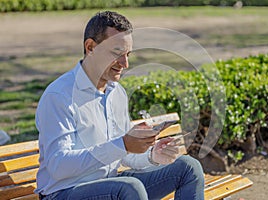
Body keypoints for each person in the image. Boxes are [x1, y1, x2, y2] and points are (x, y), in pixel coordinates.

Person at [35, 11, 204, 200]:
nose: (125, 63)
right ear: (90, 47)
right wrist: (122, 144)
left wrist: (152, 156)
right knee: (129, 188)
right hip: (65, 192)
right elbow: (58, 166)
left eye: (128, 54)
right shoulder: (59, 96)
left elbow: (125, 155)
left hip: (110, 185)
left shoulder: (116, 93)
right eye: (117, 53)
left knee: (188, 167)